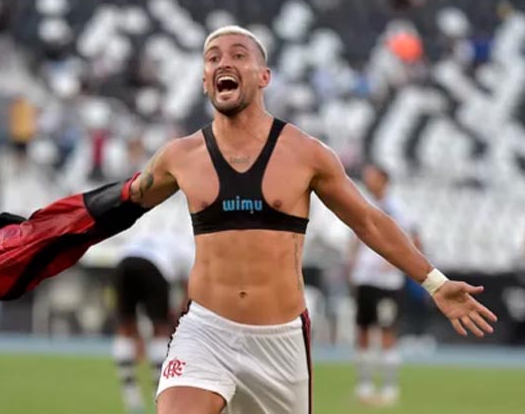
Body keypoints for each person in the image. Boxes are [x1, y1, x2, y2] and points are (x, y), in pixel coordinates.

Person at [123, 25, 497, 414]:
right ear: (204, 81)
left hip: (278, 342)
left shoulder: (307, 154)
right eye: (213, 57)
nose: (224, 63)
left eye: (238, 55)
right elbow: (121, 203)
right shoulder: (179, 156)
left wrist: (435, 283)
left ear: (264, 76)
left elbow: (368, 221)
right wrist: (75, 229)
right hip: (205, 330)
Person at [113, 197, 195, 414]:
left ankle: (130, 394)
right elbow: (189, 289)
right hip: (155, 267)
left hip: (123, 262)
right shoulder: (186, 245)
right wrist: (180, 315)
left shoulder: (147, 233)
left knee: (125, 326)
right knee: (161, 329)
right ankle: (159, 390)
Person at [347, 163, 420, 406]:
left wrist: (398, 262)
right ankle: (364, 387)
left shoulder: (398, 209)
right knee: (363, 331)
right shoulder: (363, 205)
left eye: (372, 176)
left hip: (387, 282)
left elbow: (415, 239)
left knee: (387, 331)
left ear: (384, 180)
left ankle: (389, 389)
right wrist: (352, 261)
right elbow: (356, 236)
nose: (367, 179)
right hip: (365, 278)